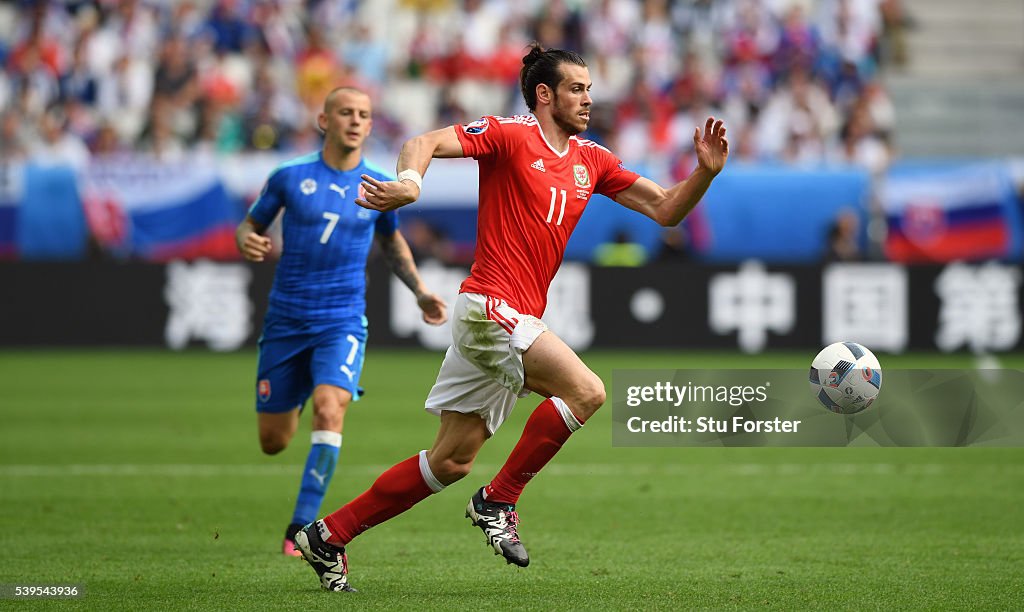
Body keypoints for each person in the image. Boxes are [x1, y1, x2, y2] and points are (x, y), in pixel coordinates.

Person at [292, 44, 729, 592]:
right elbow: (423, 142)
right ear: (544, 95)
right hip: (488, 307)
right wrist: (410, 183)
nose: (588, 99)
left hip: (511, 317)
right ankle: (498, 500)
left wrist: (704, 175)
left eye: (590, 88)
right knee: (587, 391)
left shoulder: (591, 160)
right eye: (576, 88)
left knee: (450, 461)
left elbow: (666, 208)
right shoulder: (509, 134)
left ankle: (329, 536)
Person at [236, 86, 448, 557]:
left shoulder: (377, 186)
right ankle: (294, 395)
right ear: (323, 121)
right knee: (274, 442)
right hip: (287, 322)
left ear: (371, 126)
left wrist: (420, 291)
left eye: (364, 115)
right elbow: (250, 226)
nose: (355, 121)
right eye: (346, 113)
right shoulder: (289, 178)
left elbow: (392, 243)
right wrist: (246, 240)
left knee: (330, 409)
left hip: (342, 321)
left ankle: (300, 529)